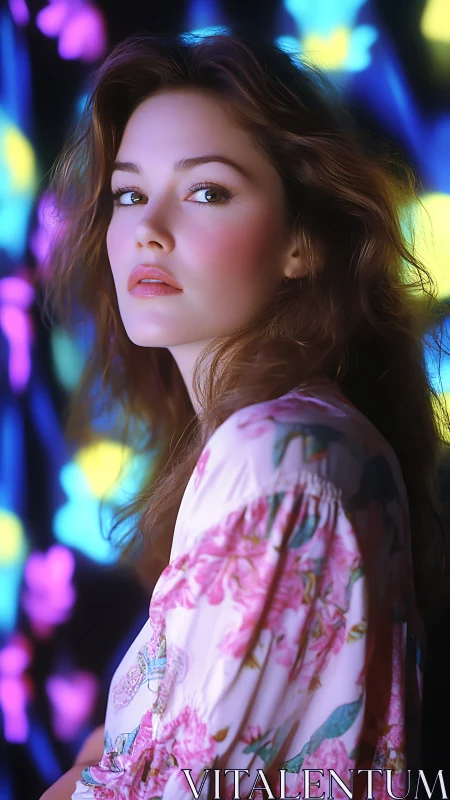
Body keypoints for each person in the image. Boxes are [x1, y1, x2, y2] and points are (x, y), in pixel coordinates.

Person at [39, 29, 450, 800]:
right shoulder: (279, 441)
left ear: (302, 242)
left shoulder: (280, 460)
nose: (148, 229)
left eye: (207, 191)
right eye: (129, 193)